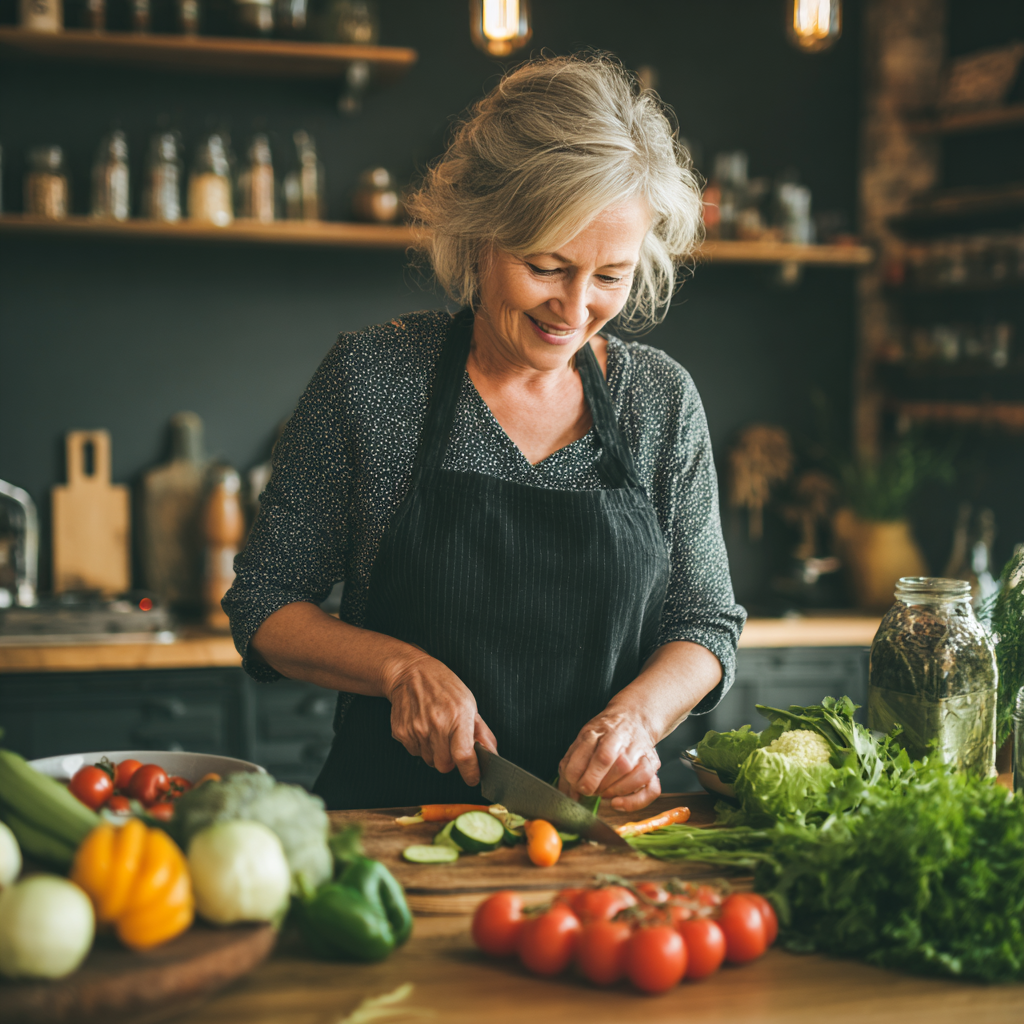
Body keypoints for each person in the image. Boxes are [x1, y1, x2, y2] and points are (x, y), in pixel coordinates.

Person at [224, 55, 746, 813]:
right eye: (547, 266)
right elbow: (266, 604)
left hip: (595, 834)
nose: (574, 308)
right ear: (479, 240)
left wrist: (638, 720)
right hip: (390, 828)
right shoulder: (371, 377)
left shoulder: (658, 401)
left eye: (610, 277)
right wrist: (400, 670)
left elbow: (705, 622)